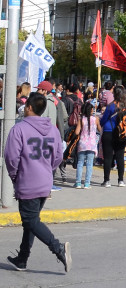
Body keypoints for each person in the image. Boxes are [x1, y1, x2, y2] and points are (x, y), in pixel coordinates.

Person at [5, 93, 71, 273]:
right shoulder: (53, 129)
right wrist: (46, 171)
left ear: (29, 108)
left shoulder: (19, 129)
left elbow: (11, 158)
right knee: (31, 221)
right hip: (45, 182)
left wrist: (15, 176)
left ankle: (58, 249)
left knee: (31, 220)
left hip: (27, 182)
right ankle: (22, 258)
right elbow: (58, 156)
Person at [99, 88, 126, 187]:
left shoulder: (111, 106)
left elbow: (103, 121)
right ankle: (121, 180)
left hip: (109, 131)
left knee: (107, 157)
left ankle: (106, 180)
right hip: (121, 133)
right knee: (120, 157)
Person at [73, 101, 100, 189]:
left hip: (82, 143)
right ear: (91, 110)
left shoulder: (81, 119)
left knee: (80, 163)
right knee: (89, 164)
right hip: (92, 144)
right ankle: (87, 183)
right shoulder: (95, 119)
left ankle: (78, 183)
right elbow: (100, 129)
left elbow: (77, 132)